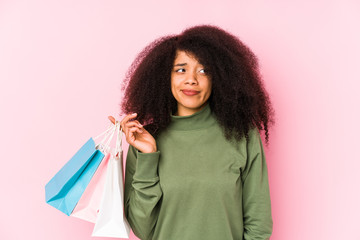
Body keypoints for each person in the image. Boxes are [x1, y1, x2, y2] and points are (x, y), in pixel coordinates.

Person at [108, 24, 275, 240]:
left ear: (220, 77)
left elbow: (258, 225)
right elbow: (142, 229)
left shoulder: (241, 135)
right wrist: (148, 156)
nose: (191, 79)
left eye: (204, 70)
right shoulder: (144, 140)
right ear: (164, 77)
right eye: (181, 69)